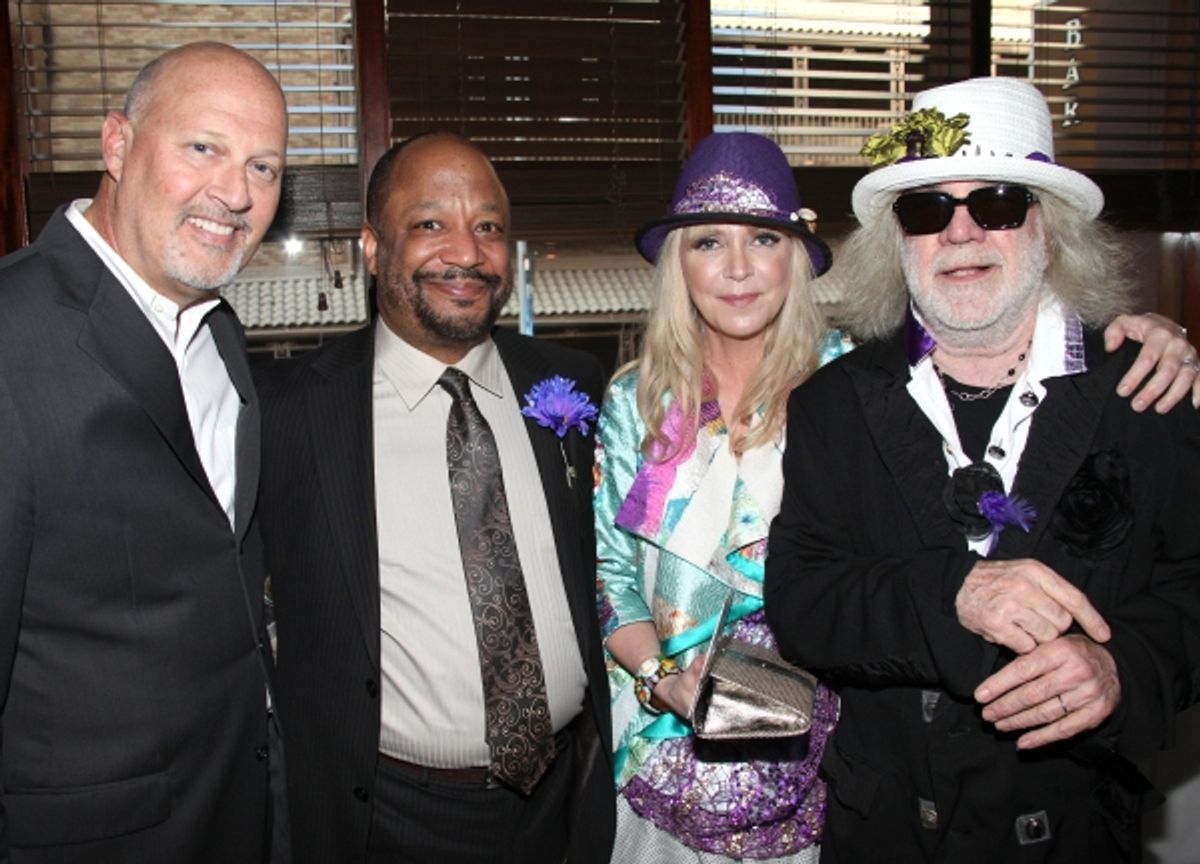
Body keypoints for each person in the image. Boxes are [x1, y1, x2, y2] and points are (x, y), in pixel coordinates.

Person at [593, 129, 1193, 864]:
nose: (739, 268)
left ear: (801, 257)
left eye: (763, 239)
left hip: (829, 765)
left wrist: (1146, 335)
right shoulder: (636, 401)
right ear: (676, 265)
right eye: (708, 243)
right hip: (666, 746)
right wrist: (662, 684)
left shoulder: (852, 383)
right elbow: (608, 574)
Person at [764, 76, 1200, 864]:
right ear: (898, 242)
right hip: (890, 836)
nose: (959, 234)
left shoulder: (1145, 387)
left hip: (1074, 836)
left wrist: (1121, 668)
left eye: (997, 203)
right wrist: (950, 594)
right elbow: (802, 600)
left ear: (1050, 228)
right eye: (927, 210)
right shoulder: (833, 402)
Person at [256, 131, 615, 864]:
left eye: (488, 227)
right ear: (371, 246)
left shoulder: (574, 383)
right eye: (430, 225)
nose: (466, 252)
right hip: (387, 817)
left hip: (565, 801)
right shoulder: (291, 412)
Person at [0, 42, 288, 862]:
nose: (234, 193)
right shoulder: (9, 335)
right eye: (204, 148)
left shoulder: (218, 334)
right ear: (117, 145)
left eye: (264, 168)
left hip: (235, 812)